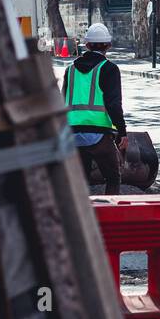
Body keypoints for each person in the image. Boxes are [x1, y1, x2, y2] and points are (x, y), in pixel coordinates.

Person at [63, 23, 127, 194]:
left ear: (87, 45)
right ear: (108, 46)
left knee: (81, 183)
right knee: (113, 178)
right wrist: (122, 132)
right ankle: (110, 215)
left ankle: (81, 216)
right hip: (99, 135)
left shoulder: (70, 70)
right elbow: (114, 104)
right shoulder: (110, 69)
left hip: (73, 134)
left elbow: (62, 102)